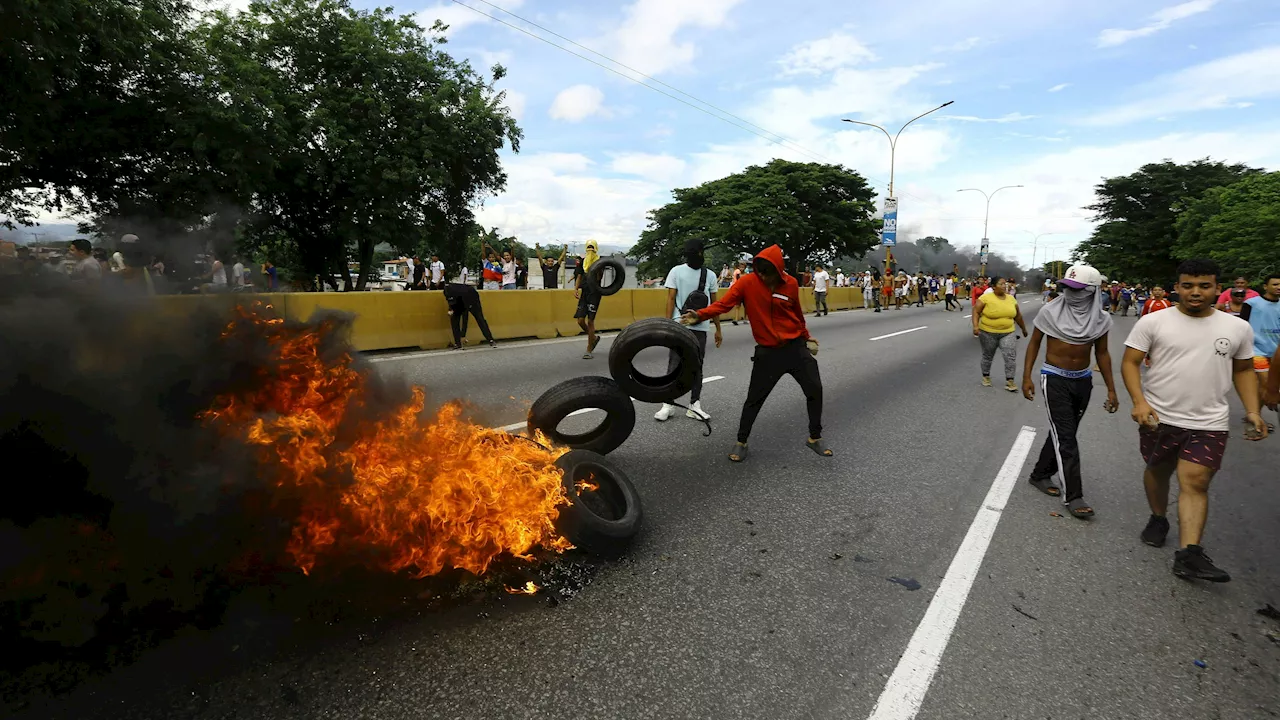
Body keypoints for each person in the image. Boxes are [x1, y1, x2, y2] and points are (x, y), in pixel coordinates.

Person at [1121, 259, 1267, 582]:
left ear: (1218, 289)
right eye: (1188, 285)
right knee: (1157, 470)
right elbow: (1130, 363)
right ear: (1177, 287)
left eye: (1204, 286)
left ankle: (1190, 554)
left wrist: (1253, 410)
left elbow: (1243, 370)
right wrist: (1139, 401)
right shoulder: (1154, 322)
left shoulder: (1237, 328)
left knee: (1196, 481)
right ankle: (1158, 518)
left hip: (1210, 421)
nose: (1196, 292)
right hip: (1159, 417)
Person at [682, 244, 829, 463]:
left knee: (815, 389)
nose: (761, 275)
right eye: (758, 269)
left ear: (778, 270)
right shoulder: (747, 283)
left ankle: (814, 437)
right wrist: (700, 315)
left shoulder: (789, 284)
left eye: (766, 271)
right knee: (754, 400)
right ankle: (741, 441)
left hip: (795, 348)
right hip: (768, 354)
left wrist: (807, 336)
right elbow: (723, 304)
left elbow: (796, 314)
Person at [1021, 265, 1118, 519]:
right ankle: (1074, 496)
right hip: (1054, 378)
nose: (1070, 293)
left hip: (1082, 380)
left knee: (1064, 432)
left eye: (1077, 289)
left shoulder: (1100, 319)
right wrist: (1026, 377)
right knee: (1066, 437)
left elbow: (1103, 353)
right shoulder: (1049, 312)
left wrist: (1111, 389)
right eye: (1067, 288)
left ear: (1091, 291)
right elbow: (1034, 343)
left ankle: (1040, 474)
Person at [655, 239, 722, 422]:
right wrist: (668, 324)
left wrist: (717, 328)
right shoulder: (676, 271)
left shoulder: (709, 275)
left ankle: (694, 405)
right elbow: (670, 299)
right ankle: (667, 404)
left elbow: (715, 304)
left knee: (696, 366)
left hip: (700, 326)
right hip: (679, 325)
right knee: (674, 366)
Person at [1239, 273, 1280, 432]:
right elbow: (1241, 325)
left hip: (1276, 352)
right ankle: (1256, 418)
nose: (1278, 287)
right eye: (1275, 284)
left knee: (1266, 387)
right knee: (1266, 383)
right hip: (1256, 351)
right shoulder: (1252, 303)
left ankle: (1253, 414)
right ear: (1265, 286)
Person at [972, 277, 1028, 391]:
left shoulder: (1011, 299)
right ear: (993, 286)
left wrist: (1023, 329)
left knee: (1010, 356)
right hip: (988, 332)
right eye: (1001, 284)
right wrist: (976, 326)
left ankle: (1010, 381)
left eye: (1005, 284)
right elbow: (976, 312)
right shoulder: (985, 298)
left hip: (1008, 332)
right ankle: (986, 376)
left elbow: (1018, 315)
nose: (1004, 286)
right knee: (988, 355)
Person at [443, 282, 496, 349]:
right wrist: (450, 309)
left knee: (479, 318)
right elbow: (450, 303)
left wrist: (463, 334)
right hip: (459, 299)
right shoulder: (447, 291)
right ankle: (457, 343)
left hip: (471, 297)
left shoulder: (464, 294)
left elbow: (465, 317)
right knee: (454, 319)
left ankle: (490, 339)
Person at [574, 241, 603, 359]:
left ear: (596, 248)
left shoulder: (599, 261)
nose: (590, 250)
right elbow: (579, 276)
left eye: (592, 248)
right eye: (588, 248)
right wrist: (576, 289)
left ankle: (589, 349)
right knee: (580, 321)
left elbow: (599, 277)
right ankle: (594, 338)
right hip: (584, 292)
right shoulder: (582, 261)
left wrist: (596, 267)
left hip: (594, 293)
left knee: (590, 321)